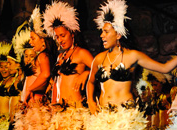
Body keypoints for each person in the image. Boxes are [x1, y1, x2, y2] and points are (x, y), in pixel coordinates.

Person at [86, 0, 177, 129]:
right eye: (102, 31)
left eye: (106, 32)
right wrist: (91, 101)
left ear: (118, 34)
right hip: (103, 117)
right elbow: (90, 82)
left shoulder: (132, 56)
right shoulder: (99, 58)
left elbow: (164, 68)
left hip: (125, 117)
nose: (101, 35)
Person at [43, 1, 93, 129]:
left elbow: (100, 70)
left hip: (74, 111)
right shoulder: (61, 56)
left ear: (72, 33)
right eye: (57, 37)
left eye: (63, 35)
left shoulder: (82, 53)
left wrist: (87, 73)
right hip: (58, 111)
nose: (60, 40)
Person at [13, 7, 58, 130]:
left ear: (42, 40)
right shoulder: (41, 56)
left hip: (36, 102)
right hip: (33, 102)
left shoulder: (43, 55)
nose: (31, 42)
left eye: (33, 38)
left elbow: (46, 74)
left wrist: (30, 90)